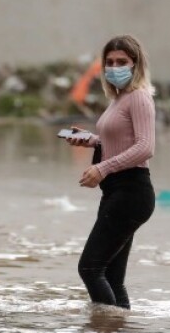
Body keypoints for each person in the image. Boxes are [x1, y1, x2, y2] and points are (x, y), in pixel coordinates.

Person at [64, 34, 156, 309]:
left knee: (90, 269)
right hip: (117, 192)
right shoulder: (120, 98)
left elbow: (145, 147)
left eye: (121, 62)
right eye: (110, 62)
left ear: (135, 64)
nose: (114, 67)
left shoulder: (139, 97)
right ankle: (118, 332)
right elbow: (122, 141)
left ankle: (103, 328)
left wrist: (102, 168)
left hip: (131, 193)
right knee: (113, 279)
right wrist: (91, 140)